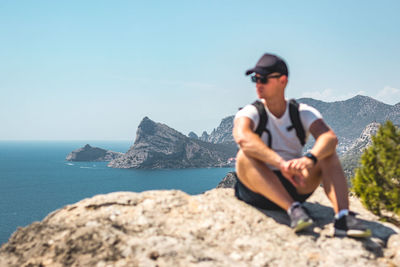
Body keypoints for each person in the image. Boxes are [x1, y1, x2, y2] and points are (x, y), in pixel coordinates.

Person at [233, 53, 371, 237]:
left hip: (296, 183)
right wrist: (281, 164)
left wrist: (309, 158)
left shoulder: (301, 112)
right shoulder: (251, 112)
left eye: (264, 79)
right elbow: (243, 136)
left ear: (282, 81)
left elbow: (329, 137)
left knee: (327, 153)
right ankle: (293, 210)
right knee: (244, 155)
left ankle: (343, 217)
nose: (258, 84)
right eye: (255, 79)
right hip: (258, 190)